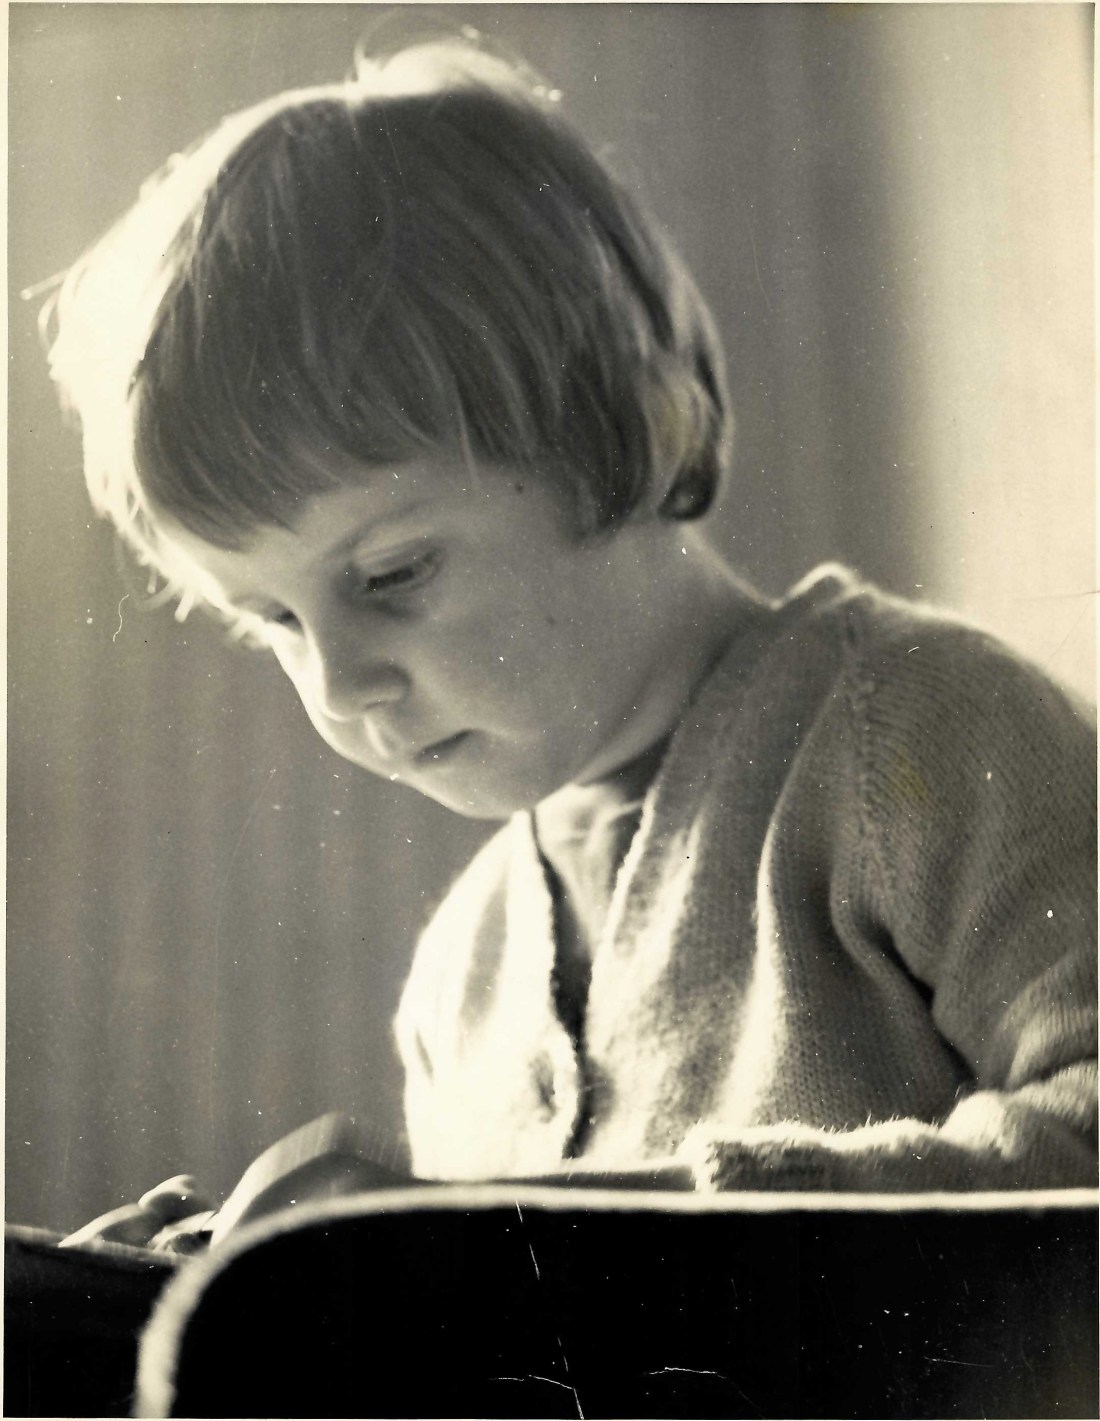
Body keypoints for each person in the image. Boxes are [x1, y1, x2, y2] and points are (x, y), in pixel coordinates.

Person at [44, 38, 1096, 1244]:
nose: (338, 682)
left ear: (629, 429)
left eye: (391, 572)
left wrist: (569, 1235)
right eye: (271, 618)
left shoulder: (919, 731)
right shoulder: (462, 976)